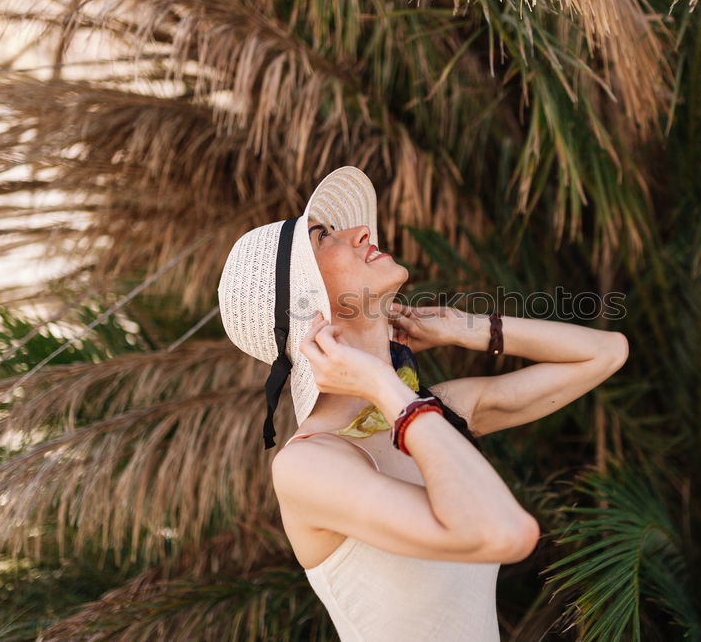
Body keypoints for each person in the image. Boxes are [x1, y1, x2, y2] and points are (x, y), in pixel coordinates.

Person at [216, 166, 629, 641]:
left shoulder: (435, 412)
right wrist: (381, 383)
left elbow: (606, 352)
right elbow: (505, 532)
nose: (362, 232)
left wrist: (464, 329)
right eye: (325, 236)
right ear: (306, 303)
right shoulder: (307, 465)